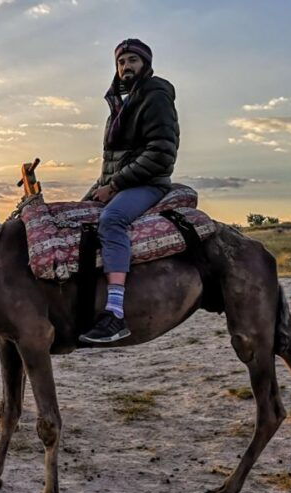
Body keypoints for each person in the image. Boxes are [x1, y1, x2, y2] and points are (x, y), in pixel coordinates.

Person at [79, 38, 180, 344]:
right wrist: (98, 188)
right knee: (76, 214)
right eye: (121, 62)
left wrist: (115, 185)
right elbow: (114, 161)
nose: (126, 66)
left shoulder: (155, 96)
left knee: (112, 220)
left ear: (145, 64)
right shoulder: (122, 105)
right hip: (122, 182)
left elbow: (161, 152)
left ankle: (115, 314)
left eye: (133, 60)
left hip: (148, 182)